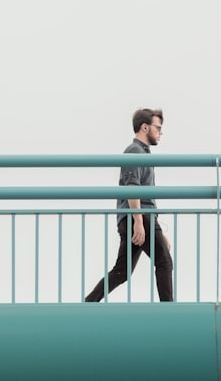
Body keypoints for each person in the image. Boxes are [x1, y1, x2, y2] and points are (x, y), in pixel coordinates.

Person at [85, 108, 174, 302]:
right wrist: (139, 222)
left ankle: (89, 303)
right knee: (165, 262)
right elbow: (133, 188)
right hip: (138, 216)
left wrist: (154, 228)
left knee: (122, 271)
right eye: (157, 128)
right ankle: (169, 311)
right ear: (144, 127)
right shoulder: (134, 151)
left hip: (137, 217)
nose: (160, 132)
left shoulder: (141, 152)